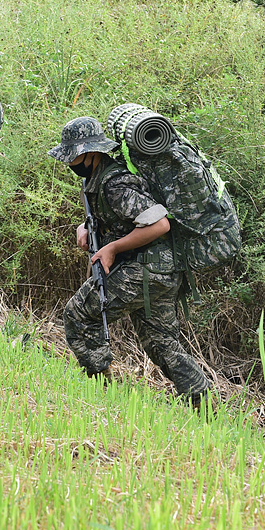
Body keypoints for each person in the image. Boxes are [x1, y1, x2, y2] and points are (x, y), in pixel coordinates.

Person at [49, 116, 212, 406]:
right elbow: (123, 219)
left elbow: (159, 224)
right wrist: (87, 226)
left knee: (78, 315)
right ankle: (205, 405)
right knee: (162, 345)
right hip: (162, 270)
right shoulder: (100, 178)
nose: (70, 164)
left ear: (90, 153)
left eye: (73, 157)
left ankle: (101, 389)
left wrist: (112, 249)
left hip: (146, 269)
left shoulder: (115, 184)